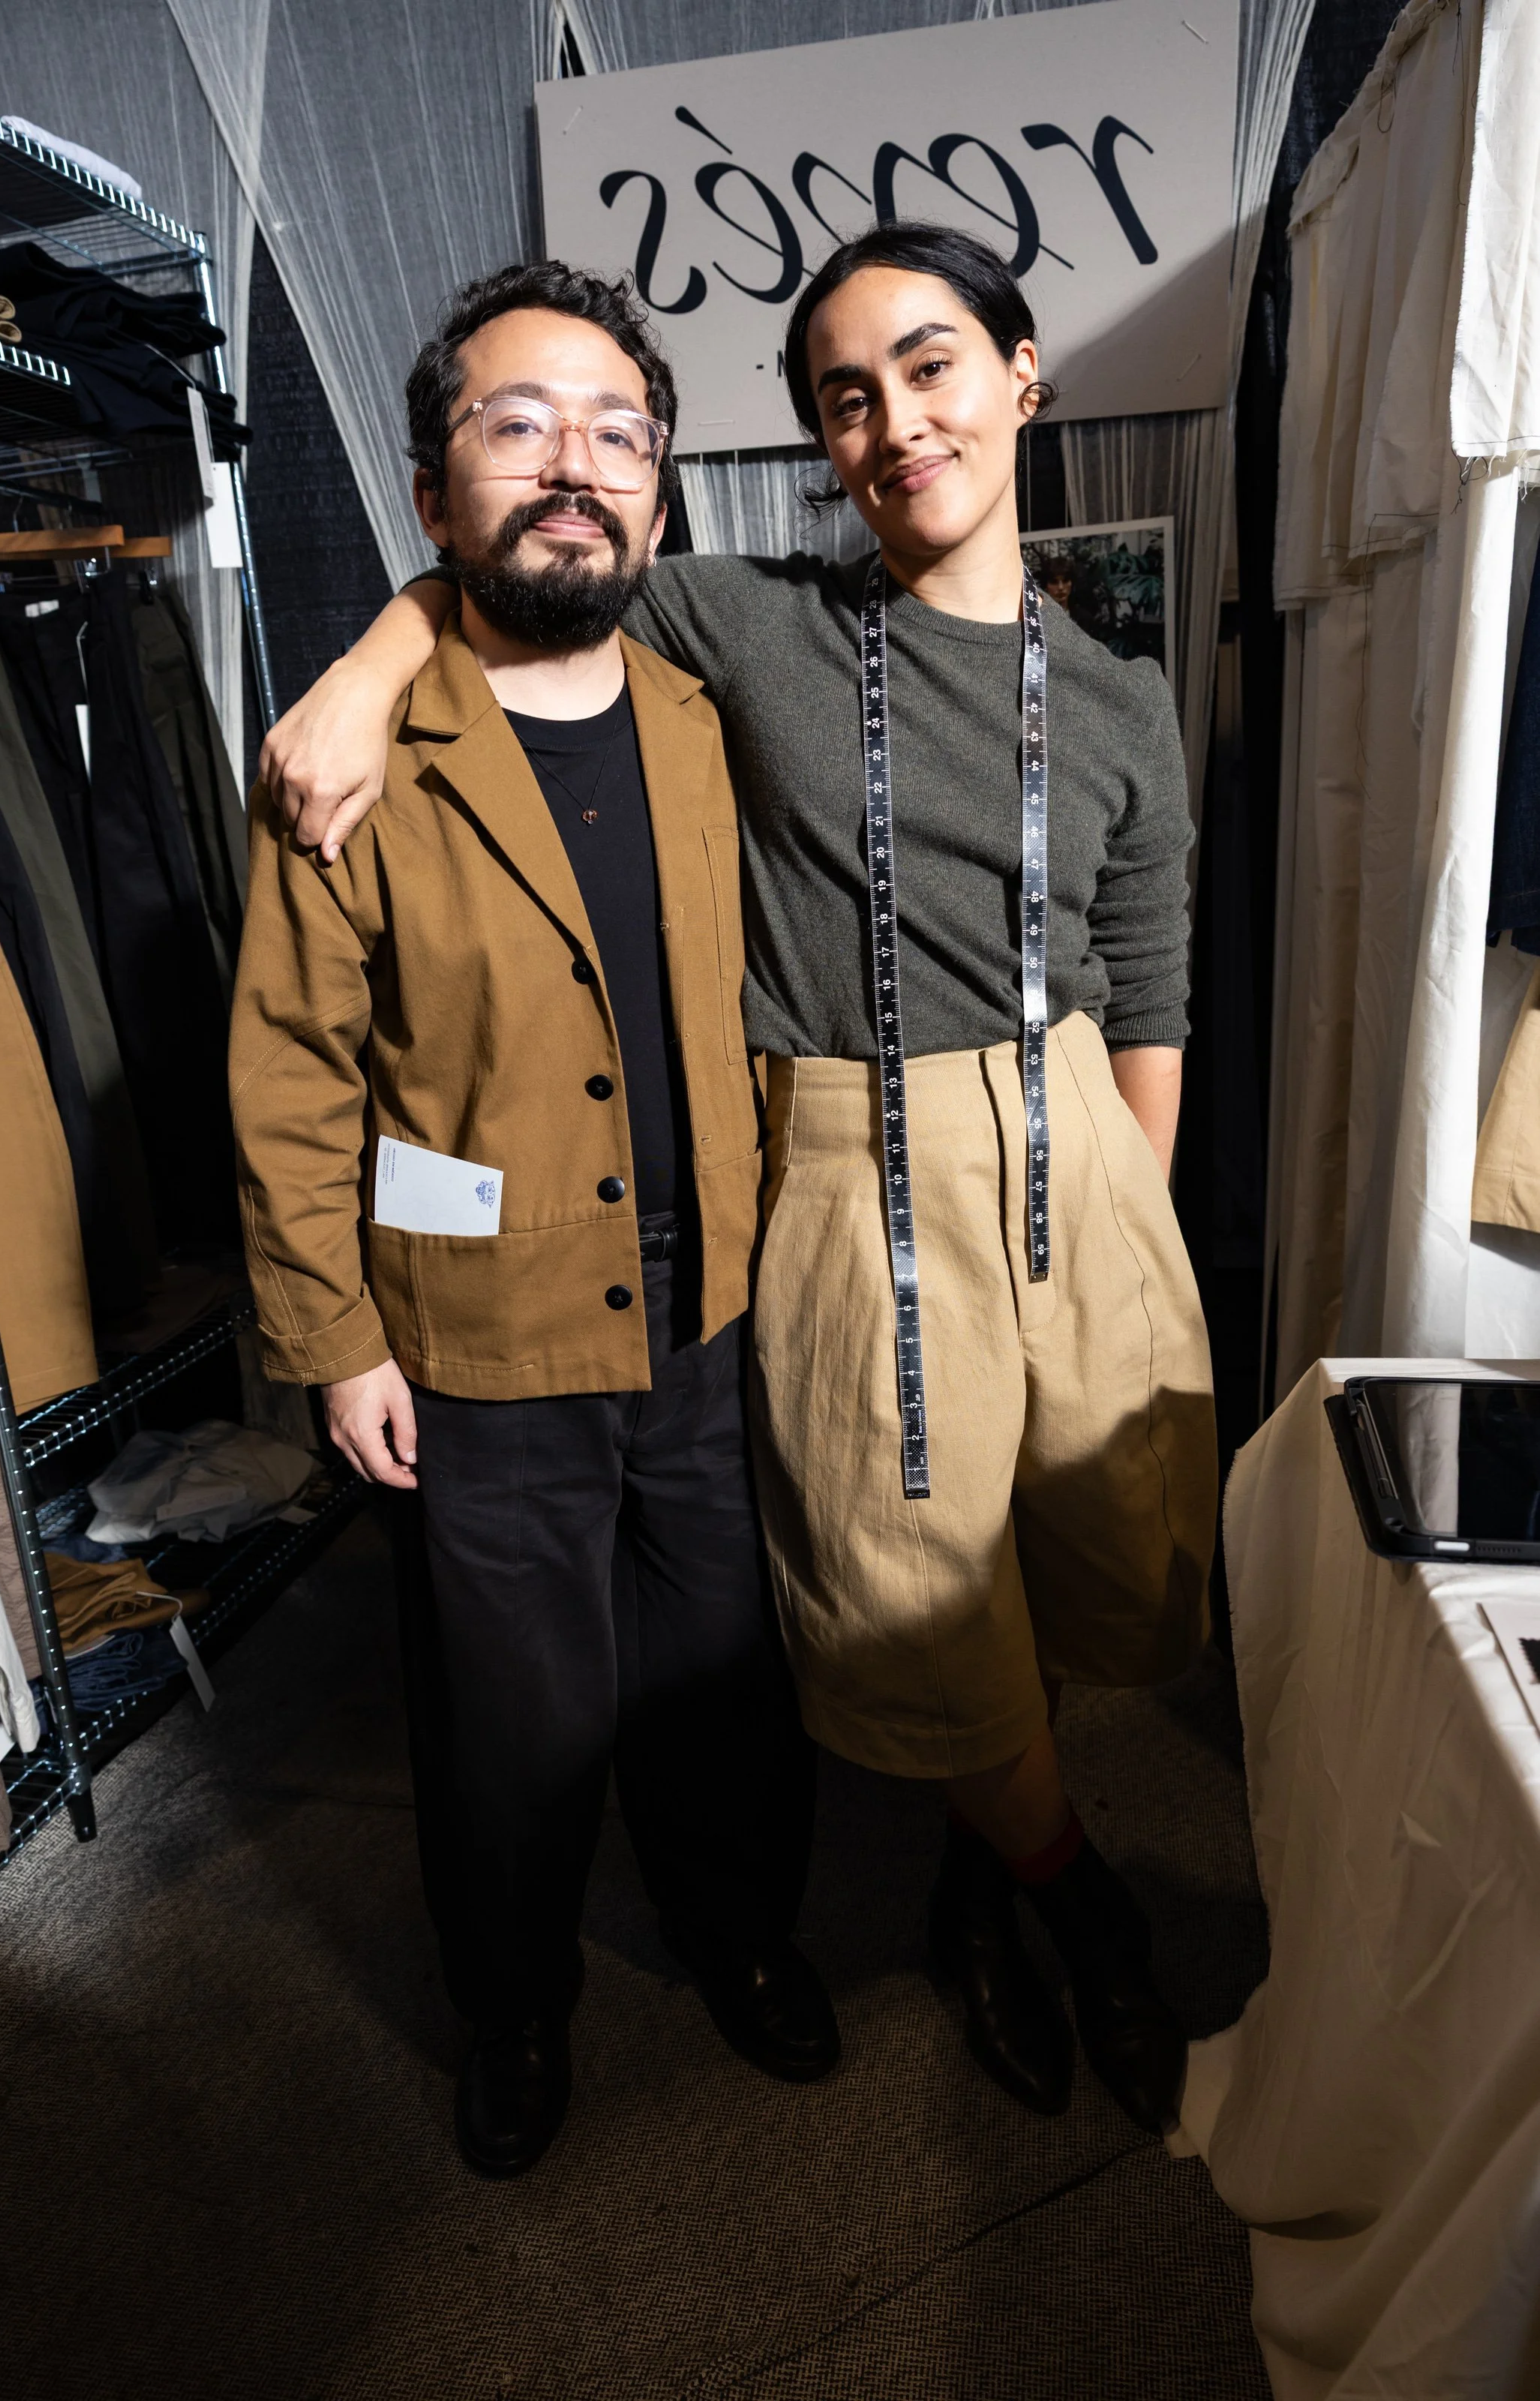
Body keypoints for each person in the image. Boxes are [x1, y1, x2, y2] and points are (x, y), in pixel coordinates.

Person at [261, 223, 1218, 2138]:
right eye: (845, 399)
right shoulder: (753, 629)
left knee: (1059, 1555)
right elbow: (525, 552)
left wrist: (1129, 1215)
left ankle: (952, 1880)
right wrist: (366, 663)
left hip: (1070, 1170)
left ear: (1024, 376)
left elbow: (1147, 959)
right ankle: (1059, 1899)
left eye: (933, 368)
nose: (896, 424)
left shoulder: (1112, 692)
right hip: (838, 1181)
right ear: (811, 449)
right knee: (887, 1589)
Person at [230, 260, 832, 2182]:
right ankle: (514, 2008)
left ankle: (738, 1933)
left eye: (618, 434)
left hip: (711, 1313)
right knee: (515, 1720)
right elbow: (293, 1077)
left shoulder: (716, 711)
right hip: (477, 1334)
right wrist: (332, 1340)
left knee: (725, 1676)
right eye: (519, 424)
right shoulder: (355, 764)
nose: (574, 466)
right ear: (433, 491)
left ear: (659, 495)